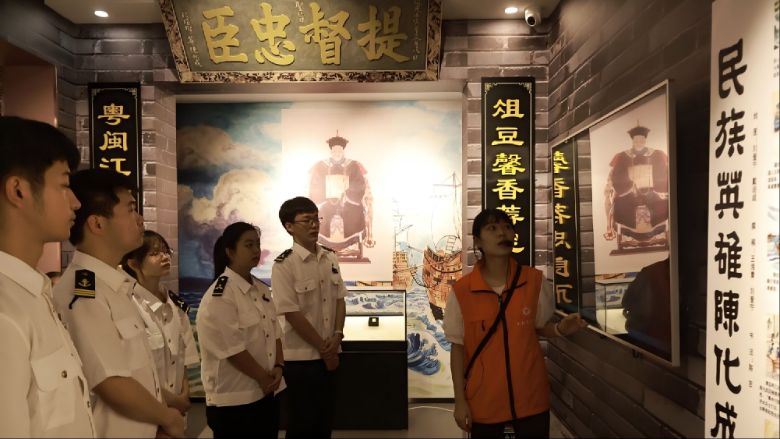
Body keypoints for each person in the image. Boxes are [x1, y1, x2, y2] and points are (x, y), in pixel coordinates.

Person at [52, 168, 184, 438]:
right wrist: (166, 417)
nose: (140, 219)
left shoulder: (116, 285)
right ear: (98, 224)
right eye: (131, 209)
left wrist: (165, 404)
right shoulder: (85, 291)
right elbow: (110, 381)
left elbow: (135, 371)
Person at [443, 208, 587, 438]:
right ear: (478, 241)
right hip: (484, 400)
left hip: (531, 398)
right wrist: (459, 400)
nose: (502, 233)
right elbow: (457, 347)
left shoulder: (534, 281)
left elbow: (537, 328)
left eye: (507, 227)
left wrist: (560, 329)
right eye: (492, 228)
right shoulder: (462, 291)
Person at [0, 116, 96, 437]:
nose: (76, 202)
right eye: (65, 185)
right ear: (18, 191)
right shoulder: (6, 312)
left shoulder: (35, 294)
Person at [196, 222, 284, 438]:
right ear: (230, 252)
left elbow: (275, 333)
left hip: (266, 393)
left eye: (257, 244)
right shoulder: (221, 295)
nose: (256, 250)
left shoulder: (261, 289)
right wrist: (263, 378)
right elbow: (232, 349)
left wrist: (278, 366)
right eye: (248, 245)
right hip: (234, 399)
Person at [272, 196, 347, 439]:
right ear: (289, 226)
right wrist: (324, 349)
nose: (314, 225)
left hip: (330, 353)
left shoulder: (330, 257)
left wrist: (337, 335)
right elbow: (291, 313)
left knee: (325, 421)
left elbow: (340, 299)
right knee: (301, 423)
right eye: (307, 221)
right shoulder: (284, 265)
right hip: (300, 359)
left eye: (316, 219)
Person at [121, 230, 200, 417]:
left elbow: (183, 361)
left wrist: (183, 397)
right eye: (155, 253)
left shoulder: (176, 306)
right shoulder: (127, 305)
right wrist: (173, 402)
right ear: (134, 264)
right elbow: (133, 373)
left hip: (178, 411)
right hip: (146, 412)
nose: (165, 257)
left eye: (166, 251)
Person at [309, 132, 374, 259]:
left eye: (339, 150)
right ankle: (324, 247)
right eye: (334, 150)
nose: (337, 153)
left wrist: (347, 192)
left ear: (343, 151)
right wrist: (327, 192)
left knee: (355, 213)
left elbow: (360, 184)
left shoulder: (353, 165)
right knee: (321, 214)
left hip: (349, 201)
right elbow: (315, 185)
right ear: (331, 151)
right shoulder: (320, 166)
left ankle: (349, 247)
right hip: (326, 201)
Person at [603, 124, 669, 247]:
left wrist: (653, 183)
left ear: (645, 140)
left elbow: (663, 173)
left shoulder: (657, 154)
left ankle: (656, 236)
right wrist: (630, 183)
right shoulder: (622, 156)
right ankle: (628, 238)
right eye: (636, 139)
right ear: (632, 140)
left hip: (652, 191)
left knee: (661, 203)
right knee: (621, 204)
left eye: (642, 139)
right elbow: (616, 176)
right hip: (629, 192)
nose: (639, 142)